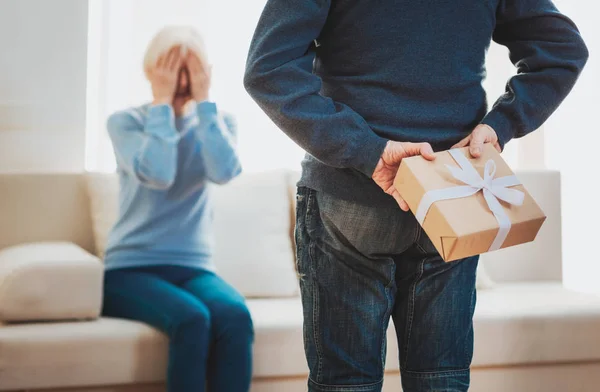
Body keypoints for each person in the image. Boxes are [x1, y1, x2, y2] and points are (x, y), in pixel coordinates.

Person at [244, 1, 588, 391]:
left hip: (352, 198)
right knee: (440, 382)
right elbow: (563, 50)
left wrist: (368, 151)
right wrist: (501, 125)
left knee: (344, 384)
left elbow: (268, 70)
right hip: (451, 195)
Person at [102, 26, 253, 392]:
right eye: (173, 68)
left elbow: (225, 172)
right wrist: (161, 106)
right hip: (128, 271)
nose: (183, 80)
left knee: (235, 316)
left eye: (191, 69)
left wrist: (204, 106)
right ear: (152, 71)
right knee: (192, 319)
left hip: (193, 268)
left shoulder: (217, 122)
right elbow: (158, 173)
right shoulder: (126, 123)